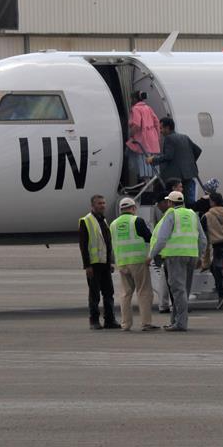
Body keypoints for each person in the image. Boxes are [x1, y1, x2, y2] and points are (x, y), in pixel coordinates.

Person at [148, 191, 207, 331]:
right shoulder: (192, 214)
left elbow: (162, 238)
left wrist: (152, 254)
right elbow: (203, 239)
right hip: (191, 256)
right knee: (183, 291)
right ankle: (175, 320)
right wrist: (199, 255)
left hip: (175, 256)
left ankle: (181, 323)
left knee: (177, 290)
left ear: (170, 203)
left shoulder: (171, 214)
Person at [110, 197, 159, 331]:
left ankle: (125, 324)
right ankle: (146, 323)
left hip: (122, 263)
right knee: (144, 292)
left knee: (125, 294)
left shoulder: (113, 224)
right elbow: (150, 237)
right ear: (133, 208)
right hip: (137, 262)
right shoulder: (137, 221)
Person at [78, 195, 120, 330]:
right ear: (93, 206)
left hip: (105, 264)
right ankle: (94, 320)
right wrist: (87, 265)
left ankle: (109, 319)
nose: (102, 205)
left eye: (103, 203)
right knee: (94, 293)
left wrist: (110, 262)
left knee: (109, 293)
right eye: (99, 203)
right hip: (94, 264)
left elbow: (107, 243)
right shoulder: (86, 221)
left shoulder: (104, 220)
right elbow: (83, 246)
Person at [146, 118, 201, 205]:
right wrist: (188, 163)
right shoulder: (184, 137)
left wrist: (153, 159)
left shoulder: (169, 139)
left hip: (175, 176)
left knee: (167, 195)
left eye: (161, 128)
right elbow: (197, 150)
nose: (160, 131)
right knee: (188, 200)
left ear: (167, 128)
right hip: (189, 174)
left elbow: (168, 156)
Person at [201, 191, 223, 308]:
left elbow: (201, 232)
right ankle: (220, 292)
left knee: (215, 268)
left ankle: (221, 293)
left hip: (214, 245)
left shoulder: (208, 215)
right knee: (216, 268)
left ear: (212, 202)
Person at [125, 91, 160, 185]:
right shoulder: (148, 108)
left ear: (135, 99)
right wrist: (157, 137)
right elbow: (157, 122)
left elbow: (136, 124)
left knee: (130, 156)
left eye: (132, 99)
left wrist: (130, 134)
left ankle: (132, 183)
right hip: (153, 143)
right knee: (152, 171)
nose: (131, 101)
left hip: (142, 142)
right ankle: (149, 187)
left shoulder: (135, 109)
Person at [147, 193, 172, 314]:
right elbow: (161, 239)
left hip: (165, 253)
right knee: (170, 280)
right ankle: (168, 304)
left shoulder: (167, 216)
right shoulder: (168, 217)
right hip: (168, 253)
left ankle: (164, 304)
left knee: (164, 279)